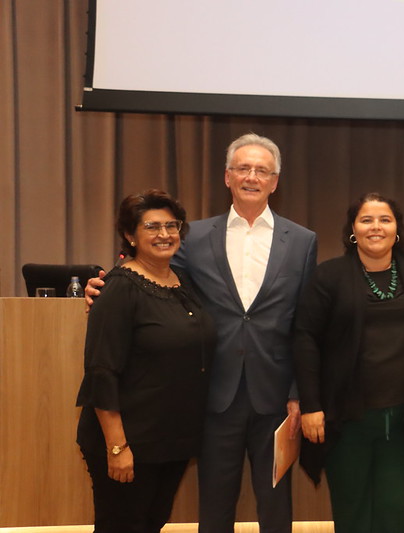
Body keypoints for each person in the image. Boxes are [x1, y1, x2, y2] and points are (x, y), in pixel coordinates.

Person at [86, 134, 318, 533]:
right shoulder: (192, 237)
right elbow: (150, 269)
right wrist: (106, 283)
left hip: (277, 396)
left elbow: (305, 323)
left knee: (277, 506)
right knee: (214, 505)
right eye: (243, 168)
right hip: (211, 393)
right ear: (227, 177)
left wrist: (299, 391)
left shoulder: (302, 241)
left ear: (275, 182)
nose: (251, 177)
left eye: (262, 170)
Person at [292, 192, 404, 533]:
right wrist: (310, 405)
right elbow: (304, 338)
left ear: (397, 229)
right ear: (353, 229)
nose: (376, 227)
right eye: (366, 220)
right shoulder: (329, 276)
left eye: (385, 219)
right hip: (345, 419)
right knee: (352, 510)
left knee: (397, 510)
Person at [76, 189, 216, 533]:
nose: (164, 234)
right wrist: (117, 447)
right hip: (129, 442)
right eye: (152, 226)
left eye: (171, 225)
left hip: (170, 439)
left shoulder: (182, 282)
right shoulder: (119, 288)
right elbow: (101, 372)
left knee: (152, 523)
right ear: (130, 235)